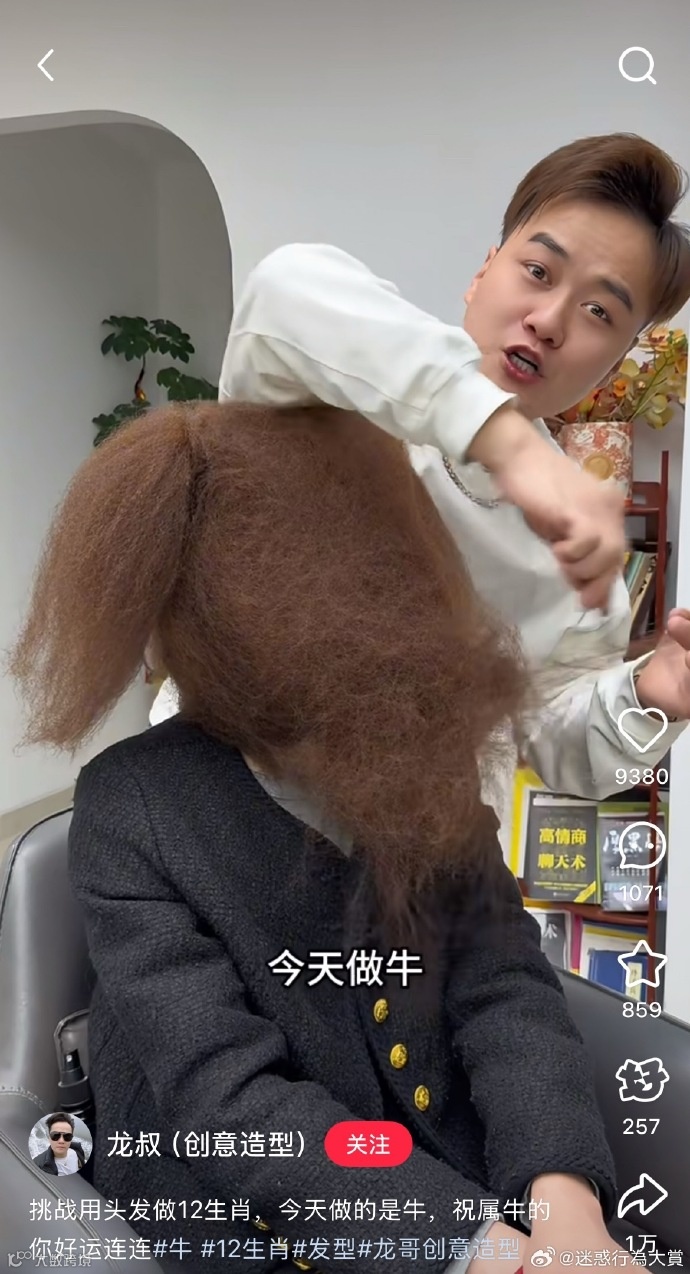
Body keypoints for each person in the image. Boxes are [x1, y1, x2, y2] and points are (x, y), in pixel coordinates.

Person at [8, 399, 652, 1273]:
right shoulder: (134, 806)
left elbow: (503, 983)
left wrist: (564, 1207)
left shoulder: (424, 757)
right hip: (238, 1213)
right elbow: (229, 1101)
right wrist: (481, 1250)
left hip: (451, 1173)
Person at [152, 133, 690, 851]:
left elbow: (560, 746)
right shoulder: (325, 392)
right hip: (212, 824)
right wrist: (507, 440)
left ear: (617, 361)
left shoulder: (577, 559)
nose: (550, 321)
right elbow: (284, 288)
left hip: (407, 871)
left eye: (600, 313)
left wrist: (652, 697)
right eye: (537, 271)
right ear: (483, 272)